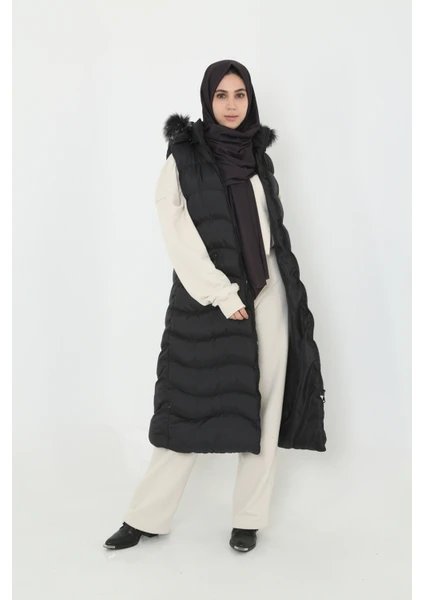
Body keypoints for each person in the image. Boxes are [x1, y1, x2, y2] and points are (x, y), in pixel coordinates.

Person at [103, 59, 326, 554]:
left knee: (266, 406)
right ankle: (145, 517)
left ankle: (249, 518)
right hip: (210, 299)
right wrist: (221, 293)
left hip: (268, 295)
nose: (231, 105)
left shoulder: (258, 157)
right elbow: (176, 231)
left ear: (250, 100)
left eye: (239, 94)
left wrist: (283, 289)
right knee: (187, 406)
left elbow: (269, 230)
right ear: (207, 99)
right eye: (221, 95)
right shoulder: (184, 156)